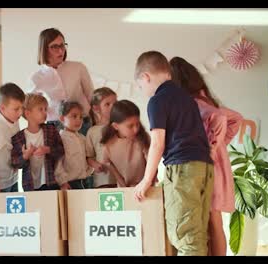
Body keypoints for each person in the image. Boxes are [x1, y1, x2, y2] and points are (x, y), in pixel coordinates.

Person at [133, 51, 214, 256]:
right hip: (204, 167)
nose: (144, 92)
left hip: (183, 169)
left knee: (185, 236)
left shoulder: (158, 100)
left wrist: (146, 179)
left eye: (141, 87)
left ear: (145, 77)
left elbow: (157, 143)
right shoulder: (186, 98)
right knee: (197, 235)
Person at [170, 56, 243, 256]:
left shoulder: (193, 103)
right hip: (212, 167)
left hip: (208, 169)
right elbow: (235, 119)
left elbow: (222, 118)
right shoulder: (203, 100)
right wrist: (220, 143)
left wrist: (213, 147)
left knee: (212, 219)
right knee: (210, 220)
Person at [29, 27, 94, 135]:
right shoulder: (36, 78)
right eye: (54, 47)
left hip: (82, 123)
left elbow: (91, 96)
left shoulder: (78, 68)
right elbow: (32, 111)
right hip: (54, 127)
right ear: (44, 49)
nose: (60, 50)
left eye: (62, 45)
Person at [11, 93, 64, 191]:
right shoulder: (18, 138)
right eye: (41, 109)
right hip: (30, 186)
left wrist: (48, 150)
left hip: (52, 182)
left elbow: (61, 151)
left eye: (45, 109)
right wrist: (25, 156)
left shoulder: (51, 130)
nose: (45, 112)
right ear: (27, 113)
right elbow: (15, 164)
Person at [0, 83, 26, 193]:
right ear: (2, 108)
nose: (21, 112)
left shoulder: (14, 118)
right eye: (16, 109)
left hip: (13, 178)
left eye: (22, 108)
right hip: (1, 184)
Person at [100, 100, 150, 187]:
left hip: (145, 186)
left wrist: (146, 183)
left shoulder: (143, 139)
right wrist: (122, 183)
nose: (136, 129)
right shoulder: (108, 143)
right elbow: (108, 163)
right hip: (123, 188)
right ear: (115, 126)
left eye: (137, 124)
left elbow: (151, 164)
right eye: (130, 126)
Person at [55, 101, 94, 190]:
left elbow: (88, 157)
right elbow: (58, 163)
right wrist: (63, 182)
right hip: (69, 183)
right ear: (62, 118)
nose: (78, 120)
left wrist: (89, 171)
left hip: (85, 181)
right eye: (74, 116)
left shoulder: (83, 138)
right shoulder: (60, 139)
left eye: (81, 117)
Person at [86, 87, 118, 188]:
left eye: (115, 103)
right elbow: (88, 156)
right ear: (96, 108)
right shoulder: (92, 131)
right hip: (102, 180)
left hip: (123, 179)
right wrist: (95, 164)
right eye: (107, 104)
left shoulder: (121, 127)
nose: (113, 107)